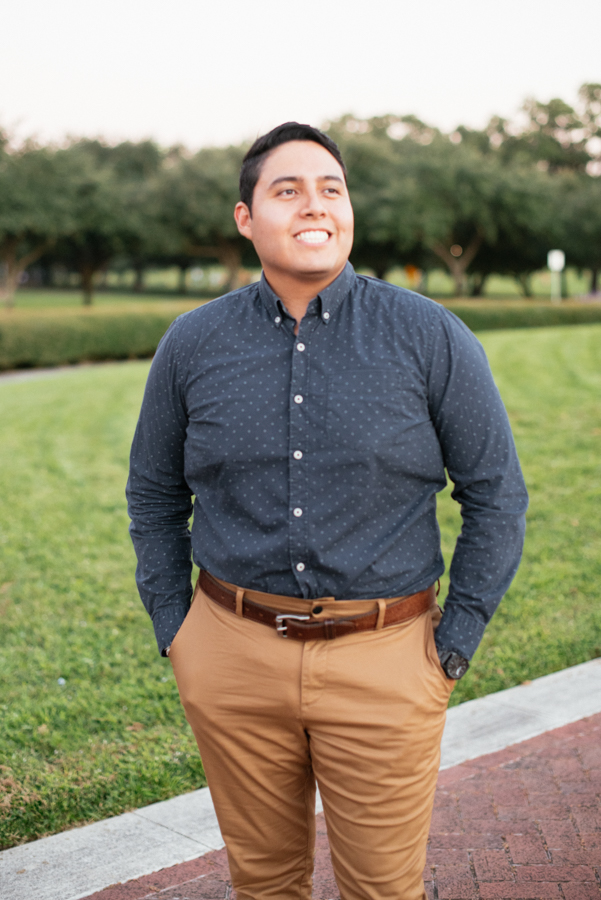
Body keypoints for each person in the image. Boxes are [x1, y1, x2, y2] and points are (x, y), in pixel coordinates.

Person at [127, 122, 528, 900]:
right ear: (246, 219)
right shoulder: (192, 344)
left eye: (330, 189)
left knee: (382, 889)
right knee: (264, 885)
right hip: (230, 654)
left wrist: (454, 643)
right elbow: (152, 493)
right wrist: (177, 628)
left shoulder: (430, 336)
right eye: (287, 190)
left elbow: (495, 494)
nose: (314, 206)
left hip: (386, 661)